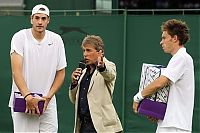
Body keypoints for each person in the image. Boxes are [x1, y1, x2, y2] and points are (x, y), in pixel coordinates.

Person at [8, 4, 67, 132]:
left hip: (47, 103)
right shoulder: (19, 37)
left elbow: (61, 72)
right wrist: (28, 96)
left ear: (48, 20)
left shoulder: (57, 40)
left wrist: (48, 97)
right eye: (37, 18)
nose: (40, 22)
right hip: (23, 100)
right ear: (31, 19)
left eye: (43, 18)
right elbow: (16, 72)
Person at [133, 19, 195, 133]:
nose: (161, 42)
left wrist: (138, 97)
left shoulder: (181, 57)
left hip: (175, 126)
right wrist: (155, 111)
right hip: (170, 123)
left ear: (175, 38)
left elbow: (160, 82)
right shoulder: (178, 58)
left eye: (164, 38)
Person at [69, 35, 123, 133]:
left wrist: (102, 67)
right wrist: (74, 83)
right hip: (83, 126)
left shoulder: (109, 65)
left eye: (89, 50)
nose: (85, 54)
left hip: (102, 127)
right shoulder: (83, 72)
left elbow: (110, 75)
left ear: (100, 52)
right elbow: (74, 100)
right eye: (84, 50)